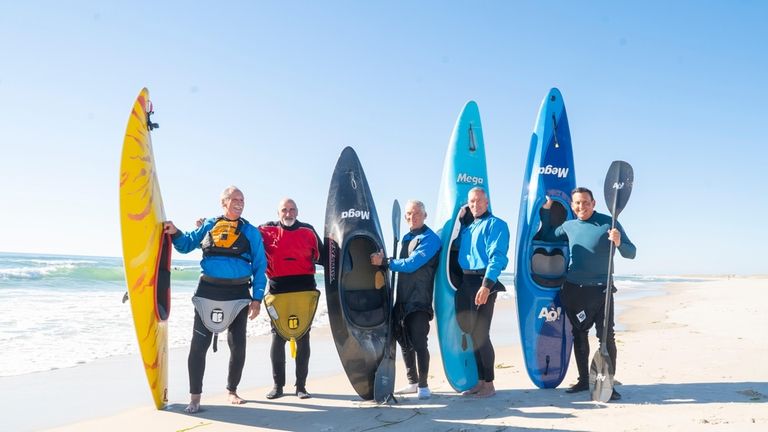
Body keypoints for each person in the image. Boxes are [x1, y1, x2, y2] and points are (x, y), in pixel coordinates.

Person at [163, 186, 267, 413]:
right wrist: (175, 231)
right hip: (208, 291)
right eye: (235, 199)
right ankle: (195, 397)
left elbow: (260, 265)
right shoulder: (209, 224)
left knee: (238, 345)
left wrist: (257, 298)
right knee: (198, 346)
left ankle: (232, 391)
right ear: (224, 202)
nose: (240, 203)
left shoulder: (250, 231)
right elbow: (186, 244)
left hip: (239, 294)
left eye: (242, 199)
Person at [542, 187, 636, 401]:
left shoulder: (608, 223)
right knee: (578, 333)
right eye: (577, 203)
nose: (581, 206)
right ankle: (584, 380)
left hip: (602, 290)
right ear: (572, 206)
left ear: (593, 203)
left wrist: (619, 242)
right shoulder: (568, 226)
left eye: (585, 202)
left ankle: (607, 384)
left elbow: (631, 253)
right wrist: (547, 210)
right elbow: (548, 234)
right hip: (575, 289)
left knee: (606, 337)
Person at [370, 200, 441, 400]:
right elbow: (400, 265)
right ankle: (412, 381)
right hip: (402, 298)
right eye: (409, 214)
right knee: (403, 341)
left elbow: (411, 265)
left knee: (419, 343)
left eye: (417, 213)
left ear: (425, 215)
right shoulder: (406, 238)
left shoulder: (431, 239)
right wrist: (386, 261)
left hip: (419, 300)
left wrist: (385, 262)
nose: (413, 217)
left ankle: (424, 387)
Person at [258, 198, 324, 400]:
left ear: (297, 211)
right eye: (284, 210)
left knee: (303, 337)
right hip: (278, 293)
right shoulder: (265, 230)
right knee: (278, 339)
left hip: (305, 291)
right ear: (278, 212)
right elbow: (242, 237)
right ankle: (278, 386)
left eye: (292, 209)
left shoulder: (308, 231)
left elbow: (325, 258)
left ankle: (301, 386)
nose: (288, 213)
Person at [455, 187, 509, 398]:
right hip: (466, 282)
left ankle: (490, 384)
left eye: (478, 201)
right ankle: (479, 381)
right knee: (473, 333)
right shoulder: (468, 228)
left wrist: (486, 285)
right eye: (471, 202)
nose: (475, 205)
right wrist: (459, 222)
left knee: (482, 334)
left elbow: (497, 257)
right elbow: (455, 247)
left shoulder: (496, 224)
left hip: (483, 281)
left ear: (487, 202)